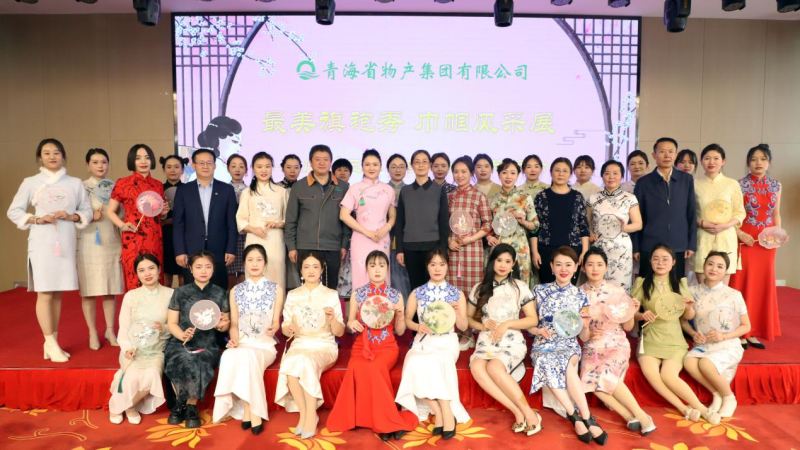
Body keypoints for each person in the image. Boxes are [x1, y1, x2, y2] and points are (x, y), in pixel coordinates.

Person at [7, 138, 93, 362]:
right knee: (45, 293)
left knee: (57, 294)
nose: (52, 156)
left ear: (63, 156)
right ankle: (50, 342)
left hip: (65, 243)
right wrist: (37, 219)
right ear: (40, 157)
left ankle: (51, 342)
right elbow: (14, 211)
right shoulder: (31, 182)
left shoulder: (75, 183)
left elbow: (86, 210)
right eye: (46, 153)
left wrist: (72, 216)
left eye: (56, 152)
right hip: (42, 243)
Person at [327, 251, 418, 440]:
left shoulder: (395, 296)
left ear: (387, 269)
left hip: (387, 347)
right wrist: (352, 323)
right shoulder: (358, 295)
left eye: (382, 265)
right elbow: (350, 323)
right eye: (373, 265)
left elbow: (400, 331)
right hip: (363, 345)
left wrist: (400, 316)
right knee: (356, 366)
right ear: (366, 269)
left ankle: (385, 422)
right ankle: (381, 421)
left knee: (375, 367)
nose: (377, 270)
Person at [632, 243, 720, 425]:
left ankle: (702, 409)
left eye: (665, 259)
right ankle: (684, 409)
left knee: (669, 376)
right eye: (656, 259)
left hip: (674, 340)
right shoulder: (642, 283)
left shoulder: (680, 284)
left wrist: (688, 308)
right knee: (652, 374)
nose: (660, 263)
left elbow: (688, 317)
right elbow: (631, 312)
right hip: (649, 339)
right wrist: (641, 315)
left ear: (673, 262)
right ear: (650, 261)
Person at [528, 247, 608, 444]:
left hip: (569, 345)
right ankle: (576, 416)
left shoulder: (581, 296)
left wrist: (586, 324)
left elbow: (583, 336)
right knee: (546, 359)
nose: (563, 269)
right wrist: (537, 330)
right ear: (551, 267)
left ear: (576, 267)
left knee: (564, 361)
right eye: (559, 264)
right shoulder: (539, 291)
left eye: (568, 265)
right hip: (544, 343)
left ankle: (585, 416)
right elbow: (529, 323)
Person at [467, 244, 542, 436]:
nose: (502, 265)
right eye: (499, 260)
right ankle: (517, 411)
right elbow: (468, 319)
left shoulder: (520, 287)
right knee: (477, 367)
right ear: (492, 261)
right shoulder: (479, 288)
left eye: (508, 261)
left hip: (511, 341)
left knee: (494, 367)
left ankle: (530, 414)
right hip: (486, 341)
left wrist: (507, 323)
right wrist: (482, 325)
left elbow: (532, 320)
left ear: (513, 264)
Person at [395, 248, 470, 440]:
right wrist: (417, 326)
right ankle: (441, 411)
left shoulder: (456, 294)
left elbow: (463, 326)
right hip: (424, 340)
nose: (437, 269)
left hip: (447, 341)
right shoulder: (417, 293)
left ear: (447, 266)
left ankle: (445, 412)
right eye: (433, 264)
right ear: (427, 267)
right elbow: (408, 320)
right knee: (413, 361)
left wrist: (457, 313)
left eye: (441, 264)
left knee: (436, 360)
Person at [579, 248, 655, 436]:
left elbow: (627, 327)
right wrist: (589, 331)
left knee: (604, 372)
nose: (595, 269)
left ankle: (642, 416)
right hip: (592, 346)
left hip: (616, 343)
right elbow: (582, 336)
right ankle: (628, 416)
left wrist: (632, 311)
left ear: (606, 267)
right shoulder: (578, 294)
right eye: (590, 264)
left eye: (599, 264)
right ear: (583, 268)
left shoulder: (617, 291)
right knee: (588, 380)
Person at [213, 244, 284, 434]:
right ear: (244, 263)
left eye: (259, 260)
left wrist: (274, 328)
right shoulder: (236, 291)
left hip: (264, 345)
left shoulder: (276, 289)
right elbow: (234, 324)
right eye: (250, 260)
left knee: (248, 357)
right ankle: (248, 409)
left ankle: (254, 413)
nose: (254, 264)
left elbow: (276, 322)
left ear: (265, 263)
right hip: (243, 342)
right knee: (229, 355)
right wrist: (234, 341)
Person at [276, 252, 345, 440]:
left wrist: (332, 319)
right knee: (290, 366)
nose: (311, 271)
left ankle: (309, 415)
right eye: (306, 267)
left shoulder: (331, 295)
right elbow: (285, 328)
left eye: (315, 266)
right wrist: (289, 329)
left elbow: (339, 332)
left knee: (305, 361)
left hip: (324, 345)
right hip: (300, 343)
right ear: (301, 271)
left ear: (322, 269)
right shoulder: (293, 295)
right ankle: (307, 414)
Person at [165, 251, 231, 428]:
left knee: (199, 360)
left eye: (208, 267)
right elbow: (172, 323)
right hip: (181, 343)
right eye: (199, 267)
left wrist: (221, 325)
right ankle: (184, 404)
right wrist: (182, 335)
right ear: (191, 269)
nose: (203, 271)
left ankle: (188, 405)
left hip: (207, 344)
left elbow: (224, 326)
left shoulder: (220, 293)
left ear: (213, 269)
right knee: (182, 359)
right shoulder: (180, 292)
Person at [684, 252, 751, 418]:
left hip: (727, 344)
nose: (714, 269)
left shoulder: (734, 294)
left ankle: (729, 397)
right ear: (703, 266)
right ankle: (717, 394)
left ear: (725, 271)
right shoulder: (691, 292)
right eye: (710, 264)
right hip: (703, 344)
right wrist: (693, 333)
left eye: (720, 266)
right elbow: (683, 321)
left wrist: (724, 336)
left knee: (706, 364)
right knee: (689, 362)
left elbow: (746, 326)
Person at [108, 254, 173, 425]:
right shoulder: (131, 296)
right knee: (131, 376)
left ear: (159, 269)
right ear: (137, 274)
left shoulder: (171, 294)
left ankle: (123, 406)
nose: (147, 273)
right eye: (142, 270)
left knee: (152, 374)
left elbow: (176, 325)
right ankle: (129, 408)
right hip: (134, 349)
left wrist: (164, 328)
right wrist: (127, 348)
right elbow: (124, 327)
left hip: (157, 349)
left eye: (151, 268)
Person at [729, 144, 782, 349]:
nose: (758, 163)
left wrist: (778, 234)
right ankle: (740, 331)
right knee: (742, 283)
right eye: (754, 159)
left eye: (763, 159)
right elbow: (732, 215)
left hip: (767, 243)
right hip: (745, 239)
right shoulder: (740, 185)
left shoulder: (776, 185)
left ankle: (755, 330)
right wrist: (739, 233)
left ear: (769, 162)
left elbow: (776, 213)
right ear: (748, 163)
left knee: (762, 285)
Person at [285, 145, 351, 289]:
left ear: (330, 162)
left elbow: (347, 221)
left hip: (333, 246)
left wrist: (344, 245)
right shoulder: (299, 186)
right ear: (310, 162)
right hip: (305, 245)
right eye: (318, 159)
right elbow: (291, 220)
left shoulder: (343, 187)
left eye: (325, 159)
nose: (322, 163)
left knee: (330, 288)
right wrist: (291, 247)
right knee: (307, 288)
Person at [77, 148, 124, 351]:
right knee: (88, 291)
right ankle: (92, 332)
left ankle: (110, 330)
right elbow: (72, 216)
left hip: (111, 241)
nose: (100, 166)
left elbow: (122, 215)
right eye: (95, 162)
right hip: (88, 242)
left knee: (109, 289)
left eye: (103, 162)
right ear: (87, 165)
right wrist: (88, 217)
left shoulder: (115, 186)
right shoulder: (80, 187)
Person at [172, 149, 238, 290]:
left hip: (219, 250)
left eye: (209, 163)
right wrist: (180, 251)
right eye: (201, 163)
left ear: (215, 165)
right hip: (192, 249)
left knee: (219, 291)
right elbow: (178, 224)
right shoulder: (183, 190)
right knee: (193, 292)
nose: (205, 166)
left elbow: (231, 223)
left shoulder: (226, 190)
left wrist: (231, 249)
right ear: (194, 165)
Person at [108, 144, 169, 293]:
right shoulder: (122, 183)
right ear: (132, 161)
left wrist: (163, 213)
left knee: (154, 275)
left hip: (154, 237)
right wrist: (122, 225)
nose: (143, 161)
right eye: (138, 158)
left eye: (147, 158)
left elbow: (160, 214)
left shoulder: (157, 185)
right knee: (134, 276)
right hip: (133, 236)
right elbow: (110, 211)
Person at [633, 138, 697, 279]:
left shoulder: (686, 180)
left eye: (671, 151)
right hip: (649, 245)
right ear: (654, 155)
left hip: (678, 245)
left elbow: (691, 213)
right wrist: (636, 247)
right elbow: (637, 217)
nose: (667, 155)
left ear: (676, 154)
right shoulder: (643, 183)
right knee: (648, 286)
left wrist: (691, 244)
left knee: (675, 286)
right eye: (662, 151)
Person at [447, 156, 492, 350]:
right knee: (454, 291)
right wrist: (448, 240)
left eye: (464, 171)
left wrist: (471, 238)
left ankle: (471, 332)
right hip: (454, 250)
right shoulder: (449, 196)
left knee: (473, 291)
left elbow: (488, 224)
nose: (459, 175)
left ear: (471, 173)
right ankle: (458, 329)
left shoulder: (478, 195)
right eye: (456, 172)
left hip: (472, 249)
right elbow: (443, 224)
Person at [339, 149, 396, 290]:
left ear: (381, 167)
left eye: (375, 164)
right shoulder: (355, 189)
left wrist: (386, 228)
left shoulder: (388, 189)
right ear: (362, 167)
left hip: (382, 238)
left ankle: (383, 304)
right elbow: (344, 215)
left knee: (381, 273)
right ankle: (360, 304)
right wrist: (366, 232)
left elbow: (393, 216)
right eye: (367, 164)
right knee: (361, 275)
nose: (371, 168)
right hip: (361, 238)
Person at [394, 150, 449, 291]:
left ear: (430, 165)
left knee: (433, 285)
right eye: (417, 162)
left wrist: (442, 249)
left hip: (433, 246)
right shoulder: (405, 191)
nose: (421, 165)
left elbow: (443, 221)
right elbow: (400, 222)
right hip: (409, 246)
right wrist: (399, 249)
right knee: (415, 287)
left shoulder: (439, 190)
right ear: (412, 165)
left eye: (424, 162)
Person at [586, 161, 642, 294]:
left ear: (622, 176)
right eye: (607, 173)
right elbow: (586, 223)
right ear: (602, 176)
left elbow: (638, 224)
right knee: (597, 288)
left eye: (615, 173)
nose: (611, 177)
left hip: (621, 250)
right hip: (598, 249)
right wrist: (590, 233)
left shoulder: (630, 198)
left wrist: (625, 228)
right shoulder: (593, 198)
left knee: (620, 290)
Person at [693, 144, 745, 285]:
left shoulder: (732, 184)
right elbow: (690, 212)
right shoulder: (695, 185)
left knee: (722, 286)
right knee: (702, 284)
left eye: (716, 158)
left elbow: (740, 211)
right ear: (701, 161)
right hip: (703, 235)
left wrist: (726, 225)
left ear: (723, 161)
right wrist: (701, 223)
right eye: (707, 158)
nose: (711, 162)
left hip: (726, 235)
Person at [532, 158, 590, 284]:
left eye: (565, 171)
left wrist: (584, 251)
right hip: (546, 250)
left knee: (568, 288)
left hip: (573, 250)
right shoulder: (541, 196)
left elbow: (583, 227)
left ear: (570, 174)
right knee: (547, 287)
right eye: (557, 170)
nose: (561, 174)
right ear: (551, 172)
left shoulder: (577, 197)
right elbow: (534, 227)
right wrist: (535, 252)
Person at [236, 152, 288, 290]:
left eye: (267, 166)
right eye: (259, 167)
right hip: (254, 239)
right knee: (255, 272)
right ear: (253, 169)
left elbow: (289, 219)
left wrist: (277, 224)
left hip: (275, 240)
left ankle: (277, 303)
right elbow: (241, 219)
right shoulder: (247, 192)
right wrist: (253, 229)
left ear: (272, 168)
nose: (263, 170)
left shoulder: (281, 191)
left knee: (276, 274)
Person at [487, 159, 538, 287]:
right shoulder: (492, 200)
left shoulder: (525, 197)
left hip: (519, 247)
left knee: (521, 284)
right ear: (499, 175)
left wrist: (524, 221)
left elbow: (535, 226)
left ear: (518, 175)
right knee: (498, 284)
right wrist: (488, 237)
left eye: (512, 173)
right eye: (504, 172)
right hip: (499, 247)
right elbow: (487, 226)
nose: (508, 176)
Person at [519, 154, 549, 286]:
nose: (533, 170)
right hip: (523, 236)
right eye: (529, 167)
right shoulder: (517, 190)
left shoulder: (548, 189)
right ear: (523, 169)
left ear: (541, 169)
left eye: (536, 166)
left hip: (544, 237)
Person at [387, 154, 412, 301]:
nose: (398, 170)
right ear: (387, 169)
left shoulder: (410, 190)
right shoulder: (382, 189)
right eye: (394, 167)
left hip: (405, 237)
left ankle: (405, 306)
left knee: (404, 274)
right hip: (384, 236)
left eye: (402, 167)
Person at [161, 155, 188, 288]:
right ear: (163, 169)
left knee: (184, 274)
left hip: (184, 235)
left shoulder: (189, 189)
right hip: (164, 235)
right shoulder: (158, 189)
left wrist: (171, 221)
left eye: (176, 167)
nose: (173, 170)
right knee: (166, 275)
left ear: (182, 170)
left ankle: (183, 300)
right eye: (169, 167)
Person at [193, 116, 243, 183]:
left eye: (240, 144)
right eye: (235, 141)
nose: (239, 149)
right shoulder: (218, 171)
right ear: (217, 140)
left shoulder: (223, 168)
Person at [279, 154, 303, 290]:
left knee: (296, 271)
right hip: (279, 233)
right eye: (288, 167)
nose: (292, 171)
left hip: (299, 234)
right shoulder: (275, 188)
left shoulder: (305, 187)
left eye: (296, 167)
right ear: (282, 168)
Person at [333, 159, 354, 301]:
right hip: (336, 240)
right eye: (339, 170)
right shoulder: (331, 190)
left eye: (346, 170)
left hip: (354, 239)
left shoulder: (355, 190)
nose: (342, 173)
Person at [227, 154, 249, 288]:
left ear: (246, 170)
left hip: (246, 235)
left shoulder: (251, 190)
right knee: (229, 272)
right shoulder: (223, 189)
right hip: (229, 235)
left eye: (241, 166)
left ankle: (241, 298)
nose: (237, 169)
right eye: (233, 166)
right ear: (228, 169)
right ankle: (230, 298)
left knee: (243, 270)